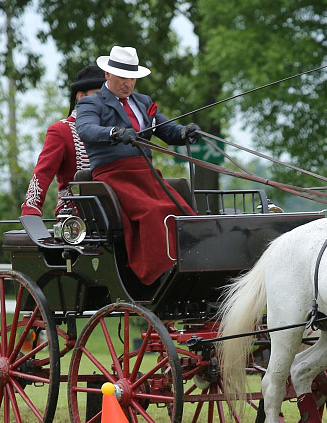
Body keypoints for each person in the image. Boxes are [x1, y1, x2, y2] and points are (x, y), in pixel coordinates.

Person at [76, 46, 202, 285]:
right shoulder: (91, 104)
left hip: (146, 174)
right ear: (107, 75)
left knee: (182, 210)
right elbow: (86, 129)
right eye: (123, 77)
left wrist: (185, 131)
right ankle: (160, 274)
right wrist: (113, 132)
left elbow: (167, 129)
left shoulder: (143, 102)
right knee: (153, 212)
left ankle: (191, 265)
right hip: (113, 176)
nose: (128, 83)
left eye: (132, 77)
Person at [21, 65, 105, 216]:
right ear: (81, 97)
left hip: (114, 210)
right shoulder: (61, 131)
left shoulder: (115, 129)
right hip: (74, 212)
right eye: (97, 95)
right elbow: (43, 173)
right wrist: (31, 210)